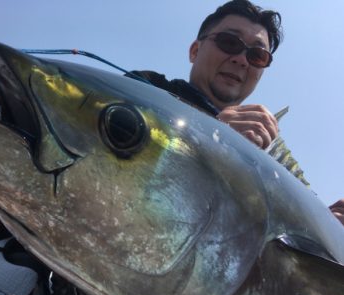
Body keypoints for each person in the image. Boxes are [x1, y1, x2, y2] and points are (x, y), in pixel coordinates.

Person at [132, 0, 344, 225]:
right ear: (195, 51)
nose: (241, 60)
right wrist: (211, 138)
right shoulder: (143, 89)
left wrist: (328, 224)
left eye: (257, 55)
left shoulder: (264, 146)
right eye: (229, 42)